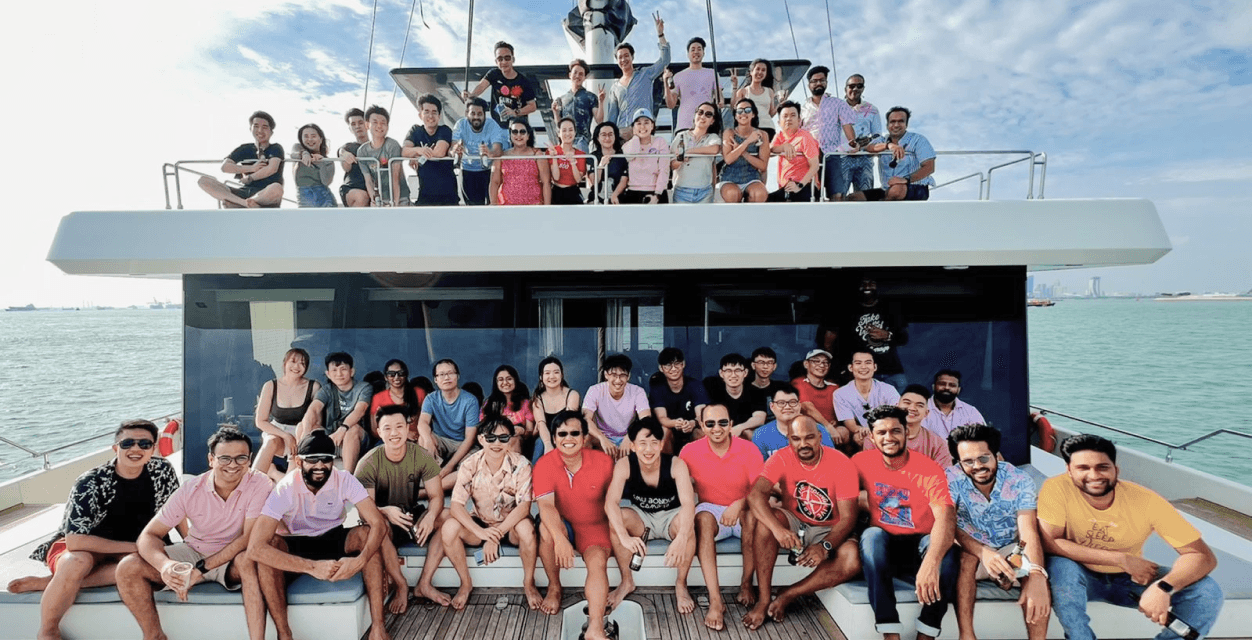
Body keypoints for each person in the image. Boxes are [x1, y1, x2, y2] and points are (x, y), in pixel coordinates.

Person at [1039, 434, 1224, 640]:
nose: (1094, 475)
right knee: (1061, 567)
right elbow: (1050, 542)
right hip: (1078, 576)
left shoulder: (1145, 500)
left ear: (1115, 470)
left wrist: (1163, 587)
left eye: (1102, 467)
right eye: (1083, 468)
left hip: (1128, 580)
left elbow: (1201, 555)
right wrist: (1121, 558)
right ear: (1069, 471)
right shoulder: (1056, 488)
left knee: (1207, 591)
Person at [10, 420, 181, 640]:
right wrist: (136, 547)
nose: (136, 449)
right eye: (127, 443)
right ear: (115, 448)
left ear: (154, 448)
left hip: (133, 545)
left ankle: (48, 583)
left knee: (157, 572)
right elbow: (75, 542)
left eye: (144, 444)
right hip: (86, 544)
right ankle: (48, 631)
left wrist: (193, 544)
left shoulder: (162, 471)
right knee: (76, 562)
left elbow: (176, 512)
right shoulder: (90, 482)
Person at [116, 427, 272, 640]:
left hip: (233, 559)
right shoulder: (191, 489)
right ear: (211, 459)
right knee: (128, 567)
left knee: (249, 560)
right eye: (225, 458)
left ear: (249, 459)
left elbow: (248, 538)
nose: (233, 465)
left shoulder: (260, 483)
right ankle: (154, 636)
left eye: (241, 458)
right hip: (195, 552)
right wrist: (166, 566)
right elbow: (149, 535)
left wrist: (201, 570)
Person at [248, 431, 391, 640]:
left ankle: (378, 627)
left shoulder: (344, 479)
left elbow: (377, 523)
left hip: (332, 536)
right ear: (298, 462)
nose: (320, 465)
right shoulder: (285, 488)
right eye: (312, 460)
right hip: (297, 540)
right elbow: (255, 547)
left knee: (366, 535)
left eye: (326, 459)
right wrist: (312, 567)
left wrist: (360, 561)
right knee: (270, 547)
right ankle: (284, 634)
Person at [743, 416, 861, 630]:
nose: (803, 444)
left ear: (820, 437)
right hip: (796, 521)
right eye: (796, 439)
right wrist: (779, 531)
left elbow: (848, 518)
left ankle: (788, 594)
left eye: (809, 437)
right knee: (766, 525)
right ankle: (764, 599)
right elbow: (755, 495)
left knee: (852, 560)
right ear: (789, 440)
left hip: (831, 527)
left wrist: (824, 546)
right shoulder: (781, 457)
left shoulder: (841, 463)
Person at [854, 405, 959, 640]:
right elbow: (835, 488)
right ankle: (890, 632)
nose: (889, 437)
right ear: (872, 437)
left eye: (895, 431)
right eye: (881, 433)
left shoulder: (928, 468)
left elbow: (946, 516)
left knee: (947, 555)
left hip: (919, 544)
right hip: (884, 548)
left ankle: (927, 633)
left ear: (906, 432)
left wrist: (931, 562)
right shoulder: (861, 461)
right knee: (871, 536)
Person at [533, 410, 636, 640]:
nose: (568, 438)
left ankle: (596, 628)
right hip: (565, 524)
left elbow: (613, 503)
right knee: (545, 529)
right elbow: (546, 507)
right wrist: (560, 539)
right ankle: (554, 587)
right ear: (554, 437)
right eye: (562, 434)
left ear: (584, 437)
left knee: (598, 563)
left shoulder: (603, 462)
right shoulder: (544, 464)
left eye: (574, 433)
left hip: (595, 526)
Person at [945, 424, 1049, 640]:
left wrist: (1038, 574)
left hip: (1009, 546)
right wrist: (984, 552)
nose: (977, 466)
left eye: (984, 458)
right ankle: (967, 635)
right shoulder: (950, 479)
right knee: (966, 559)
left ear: (996, 455)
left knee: (1029, 566)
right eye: (968, 461)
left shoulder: (1019, 480)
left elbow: (1028, 530)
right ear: (958, 462)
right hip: (971, 548)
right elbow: (949, 526)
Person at [355, 405, 450, 611]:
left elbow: (436, 496)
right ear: (379, 432)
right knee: (377, 526)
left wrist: (430, 515)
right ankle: (401, 585)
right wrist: (386, 510)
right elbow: (365, 509)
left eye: (399, 426)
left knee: (448, 516)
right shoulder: (368, 463)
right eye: (387, 428)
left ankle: (424, 583)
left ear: (408, 429)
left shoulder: (421, 455)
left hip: (410, 513)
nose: (394, 433)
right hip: (383, 518)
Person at [441, 416, 541, 610]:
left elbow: (524, 507)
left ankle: (529, 583)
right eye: (491, 438)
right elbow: (456, 506)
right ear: (480, 439)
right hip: (481, 522)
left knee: (527, 529)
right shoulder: (470, 464)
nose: (497, 443)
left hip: (511, 524)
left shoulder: (521, 464)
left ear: (510, 439)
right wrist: (482, 534)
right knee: (449, 527)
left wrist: (494, 537)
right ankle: (465, 583)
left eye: (504, 438)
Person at [679, 404, 764, 630]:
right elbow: (681, 487)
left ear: (731, 424)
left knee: (753, 518)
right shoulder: (689, 451)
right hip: (711, 508)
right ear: (701, 426)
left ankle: (746, 583)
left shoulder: (749, 449)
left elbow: (759, 489)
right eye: (710, 423)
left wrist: (739, 503)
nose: (717, 428)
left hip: (743, 505)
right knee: (703, 519)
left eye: (723, 422)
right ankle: (715, 599)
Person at [605, 418, 698, 614]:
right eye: (642, 443)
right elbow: (610, 503)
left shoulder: (676, 464)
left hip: (671, 517)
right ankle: (626, 582)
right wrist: (623, 536)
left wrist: (681, 537)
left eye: (654, 443)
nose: (649, 449)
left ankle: (681, 585)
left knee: (687, 522)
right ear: (632, 446)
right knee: (618, 518)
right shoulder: (624, 464)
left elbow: (689, 504)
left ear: (662, 444)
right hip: (643, 518)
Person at [298, 351, 373, 474]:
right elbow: (313, 409)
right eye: (334, 370)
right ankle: (303, 471)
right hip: (332, 438)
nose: (339, 374)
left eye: (343, 369)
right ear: (328, 374)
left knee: (352, 429)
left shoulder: (364, 387)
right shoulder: (326, 390)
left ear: (352, 371)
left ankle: (348, 478)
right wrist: (305, 437)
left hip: (355, 439)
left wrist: (342, 429)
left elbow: (360, 410)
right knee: (304, 425)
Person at [253, 347, 321, 481]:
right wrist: (285, 436)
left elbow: (317, 421)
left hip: (302, 432)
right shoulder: (270, 385)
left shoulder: (314, 387)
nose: (297, 366)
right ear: (284, 363)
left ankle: (274, 474)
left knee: (294, 477)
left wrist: (299, 437)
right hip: (278, 431)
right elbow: (260, 421)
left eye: (302, 363)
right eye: (293, 361)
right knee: (270, 441)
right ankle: (250, 484)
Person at [601, 12, 669, 141]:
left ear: (632, 57)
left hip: (642, 132)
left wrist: (660, 34)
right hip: (621, 135)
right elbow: (612, 116)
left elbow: (664, 60)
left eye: (626, 55)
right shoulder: (615, 87)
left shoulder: (645, 74)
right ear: (617, 61)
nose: (623, 59)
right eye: (620, 57)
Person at [198, 111, 285, 208]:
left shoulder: (276, 148)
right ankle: (245, 204)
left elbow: (271, 169)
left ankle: (244, 202)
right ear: (250, 129)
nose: (260, 130)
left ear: (271, 132)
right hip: (243, 192)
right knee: (203, 180)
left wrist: (250, 178)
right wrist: (251, 168)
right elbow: (225, 167)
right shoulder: (244, 149)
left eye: (264, 127)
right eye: (256, 126)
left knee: (277, 188)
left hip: (265, 195)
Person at [416, 358, 481, 490]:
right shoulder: (431, 398)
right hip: (442, 441)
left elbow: (470, 438)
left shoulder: (469, 400)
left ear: (457, 376)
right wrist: (428, 440)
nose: (446, 377)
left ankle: (426, 491)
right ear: (435, 379)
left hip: (463, 444)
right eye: (441, 374)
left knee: (472, 468)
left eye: (450, 373)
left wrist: (448, 467)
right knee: (423, 437)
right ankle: (431, 478)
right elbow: (422, 423)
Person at [848, 106, 935, 202]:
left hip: (916, 187)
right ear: (887, 125)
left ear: (906, 124)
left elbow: (929, 167)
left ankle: (880, 213)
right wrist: (889, 145)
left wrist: (906, 180)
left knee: (896, 191)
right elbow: (869, 147)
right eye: (892, 122)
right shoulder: (882, 140)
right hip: (887, 189)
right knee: (853, 198)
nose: (896, 125)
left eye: (901, 121)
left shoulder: (919, 140)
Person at [845, 278, 910, 391]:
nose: (867, 287)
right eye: (863, 284)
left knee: (901, 405)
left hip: (892, 370)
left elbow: (904, 338)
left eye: (871, 283)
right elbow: (843, 344)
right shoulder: (850, 312)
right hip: (865, 372)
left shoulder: (889, 308)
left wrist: (888, 335)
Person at [863, 385, 952, 467]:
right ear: (896, 406)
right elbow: (871, 472)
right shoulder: (875, 438)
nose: (912, 408)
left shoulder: (938, 445)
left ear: (926, 413)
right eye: (907, 403)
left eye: (919, 405)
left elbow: (944, 478)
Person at [825, 74, 882, 201]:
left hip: (864, 158)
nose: (855, 89)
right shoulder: (834, 108)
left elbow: (878, 135)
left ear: (863, 88)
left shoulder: (872, 110)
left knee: (864, 197)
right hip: (841, 158)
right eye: (851, 86)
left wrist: (866, 144)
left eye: (859, 86)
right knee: (838, 198)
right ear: (845, 89)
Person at [583, 353, 651, 459]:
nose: (618, 380)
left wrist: (630, 436)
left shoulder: (637, 392)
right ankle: (586, 474)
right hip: (603, 436)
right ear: (606, 375)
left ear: (628, 376)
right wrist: (602, 438)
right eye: (614, 375)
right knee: (585, 438)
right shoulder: (594, 390)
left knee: (649, 437)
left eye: (622, 375)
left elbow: (646, 419)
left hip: (628, 436)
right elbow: (586, 419)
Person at [835, 350, 902, 446]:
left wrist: (877, 430)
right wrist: (860, 429)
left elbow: (895, 417)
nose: (863, 367)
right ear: (850, 367)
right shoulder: (841, 393)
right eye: (858, 363)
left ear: (875, 367)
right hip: (863, 432)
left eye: (868, 362)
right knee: (859, 437)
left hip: (886, 430)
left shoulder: (888, 389)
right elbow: (850, 423)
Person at [649, 347, 709, 453]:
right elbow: (662, 418)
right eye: (668, 365)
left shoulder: (696, 385)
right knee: (664, 431)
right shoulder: (657, 389)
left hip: (692, 428)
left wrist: (693, 423)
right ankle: (667, 466)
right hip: (671, 429)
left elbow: (702, 415)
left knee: (702, 432)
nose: (673, 369)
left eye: (677, 363)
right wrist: (676, 423)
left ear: (683, 364)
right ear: (661, 368)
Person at [402, 94, 459, 206]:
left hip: (448, 195)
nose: (431, 116)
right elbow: (404, 151)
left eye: (434, 112)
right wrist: (419, 150)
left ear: (439, 115)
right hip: (424, 194)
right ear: (420, 115)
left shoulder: (444, 130)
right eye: (426, 112)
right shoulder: (415, 130)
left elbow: (439, 152)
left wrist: (416, 155)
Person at [752, 384, 836, 460]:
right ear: (772, 406)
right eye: (781, 403)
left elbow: (831, 461)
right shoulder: (761, 435)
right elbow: (759, 469)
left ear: (799, 405)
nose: (787, 407)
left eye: (792, 402)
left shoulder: (817, 429)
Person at [463, 41, 537, 126]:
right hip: (497, 125)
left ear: (513, 59)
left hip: (517, 127)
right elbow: (481, 86)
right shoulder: (494, 74)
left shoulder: (524, 81)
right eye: (500, 59)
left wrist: (515, 112)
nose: (504, 62)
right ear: (496, 61)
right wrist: (470, 95)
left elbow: (532, 106)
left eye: (507, 58)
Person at [451, 98, 507, 205]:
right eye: (473, 113)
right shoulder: (460, 124)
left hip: (489, 170)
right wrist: (456, 150)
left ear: (485, 114)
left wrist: (490, 153)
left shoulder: (492, 125)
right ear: (467, 113)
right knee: (473, 208)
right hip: (467, 170)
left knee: (492, 206)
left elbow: (498, 150)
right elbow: (452, 148)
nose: (476, 117)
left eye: (480, 114)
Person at [354, 105, 409, 206]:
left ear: (387, 126)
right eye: (375, 122)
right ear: (367, 125)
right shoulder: (362, 151)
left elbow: (395, 177)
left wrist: (395, 204)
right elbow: (368, 180)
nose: (379, 126)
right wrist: (374, 199)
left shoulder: (392, 145)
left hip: (400, 196)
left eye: (383, 123)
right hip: (380, 197)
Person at [663, 37, 720, 136]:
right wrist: (665, 82)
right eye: (692, 49)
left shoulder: (713, 73)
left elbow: (720, 101)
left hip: (706, 126)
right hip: (684, 126)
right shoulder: (679, 76)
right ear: (688, 54)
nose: (696, 52)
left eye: (699, 49)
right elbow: (671, 104)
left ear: (703, 52)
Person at [717, 98, 770, 203]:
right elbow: (728, 159)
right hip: (729, 177)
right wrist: (748, 141)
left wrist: (742, 152)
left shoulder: (762, 135)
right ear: (736, 116)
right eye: (740, 111)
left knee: (759, 193)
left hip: (751, 177)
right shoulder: (729, 133)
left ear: (753, 114)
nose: (743, 113)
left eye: (747, 110)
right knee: (732, 194)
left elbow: (763, 165)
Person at [670, 101, 722, 204]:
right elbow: (672, 165)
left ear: (712, 121)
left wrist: (689, 151)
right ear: (695, 115)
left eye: (708, 114)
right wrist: (680, 160)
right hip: (681, 190)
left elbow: (714, 149)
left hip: (705, 192)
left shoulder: (713, 137)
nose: (703, 116)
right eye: (700, 112)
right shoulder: (681, 136)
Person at [490, 117, 551, 205]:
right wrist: (493, 204)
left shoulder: (537, 154)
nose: (518, 135)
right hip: (507, 207)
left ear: (528, 135)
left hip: (533, 206)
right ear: (510, 135)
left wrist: (547, 207)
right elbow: (494, 182)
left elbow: (546, 182)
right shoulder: (502, 156)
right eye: (515, 132)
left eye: (522, 132)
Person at [768, 101, 820, 202]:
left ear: (799, 120)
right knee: (763, 201)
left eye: (792, 115)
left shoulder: (805, 137)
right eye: (785, 116)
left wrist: (799, 186)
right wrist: (784, 147)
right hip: (786, 187)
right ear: (779, 122)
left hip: (804, 186)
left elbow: (815, 165)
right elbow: (771, 149)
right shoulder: (779, 136)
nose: (788, 119)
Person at [532, 356, 582, 461]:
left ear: (562, 375)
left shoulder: (572, 395)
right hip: (546, 438)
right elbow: (541, 425)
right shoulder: (538, 400)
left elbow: (568, 423)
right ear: (541, 377)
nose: (552, 376)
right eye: (547, 373)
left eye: (556, 372)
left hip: (567, 435)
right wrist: (548, 444)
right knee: (540, 443)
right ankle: (534, 474)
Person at [706, 353, 767, 437]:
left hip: (743, 432)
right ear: (721, 373)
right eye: (728, 371)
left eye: (738, 370)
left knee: (749, 433)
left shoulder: (756, 392)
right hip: (720, 430)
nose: (733, 375)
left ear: (745, 373)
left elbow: (760, 418)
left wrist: (740, 427)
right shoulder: (714, 391)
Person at [620, 108, 671, 204]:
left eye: (646, 122)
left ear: (652, 125)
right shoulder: (627, 145)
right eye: (638, 123)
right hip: (633, 193)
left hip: (656, 192)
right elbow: (630, 156)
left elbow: (664, 170)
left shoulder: (660, 142)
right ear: (633, 127)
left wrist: (657, 195)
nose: (642, 126)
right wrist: (635, 138)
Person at [482, 364, 535, 456]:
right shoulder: (489, 404)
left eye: (509, 378)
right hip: (494, 444)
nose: (505, 382)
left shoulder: (525, 403)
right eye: (501, 379)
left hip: (518, 446)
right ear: (496, 383)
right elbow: (483, 429)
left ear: (515, 380)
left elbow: (530, 432)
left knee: (514, 439)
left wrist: (522, 431)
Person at [369, 358, 424, 443]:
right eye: (391, 374)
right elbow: (375, 430)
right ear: (386, 377)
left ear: (406, 375)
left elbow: (427, 421)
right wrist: (404, 433)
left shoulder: (418, 393)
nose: (396, 377)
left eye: (400, 373)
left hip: (417, 439)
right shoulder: (378, 398)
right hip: (389, 440)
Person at [792, 349, 841, 441]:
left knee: (843, 432)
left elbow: (842, 409)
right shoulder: (798, 383)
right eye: (816, 361)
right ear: (806, 364)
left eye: (825, 362)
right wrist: (828, 426)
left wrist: (837, 421)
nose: (822, 365)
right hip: (808, 428)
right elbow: (807, 407)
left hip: (833, 429)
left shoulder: (834, 387)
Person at [551, 59, 599, 152]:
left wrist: (601, 101)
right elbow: (559, 125)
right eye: (575, 73)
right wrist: (555, 113)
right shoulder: (561, 99)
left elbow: (599, 119)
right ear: (570, 75)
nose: (577, 76)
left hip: (582, 140)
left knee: (580, 165)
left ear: (585, 77)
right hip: (565, 140)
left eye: (581, 74)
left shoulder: (591, 97)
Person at [924, 369, 986, 439]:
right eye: (942, 384)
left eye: (952, 385)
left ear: (958, 390)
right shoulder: (921, 409)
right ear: (933, 387)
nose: (947, 388)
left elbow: (983, 439)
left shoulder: (970, 412)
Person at [290, 123, 337, 207]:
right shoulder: (297, 148)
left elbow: (326, 182)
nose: (310, 139)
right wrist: (304, 154)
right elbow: (293, 154)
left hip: (325, 198)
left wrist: (321, 163)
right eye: (306, 136)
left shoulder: (328, 161)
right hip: (304, 196)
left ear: (321, 139)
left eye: (313, 136)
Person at [337, 107, 376, 207]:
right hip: (353, 188)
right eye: (353, 124)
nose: (357, 126)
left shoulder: (378, 147)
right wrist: (343, 153)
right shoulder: (348, 147)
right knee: (361, 197)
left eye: (360, 122)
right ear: (350, 128)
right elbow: (346, 167)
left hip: (374, 188)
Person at [732, 59, 777, 141]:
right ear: (751, 72)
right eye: (758, 69)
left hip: (768, 127)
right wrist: (734, 86)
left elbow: (770, 113)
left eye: (763, 70)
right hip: (750, 128)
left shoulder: (770, 91)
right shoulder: (743, 91)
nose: (760, 72)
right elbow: (735, 109)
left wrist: (781, 104)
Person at [548, 117, 587, 205]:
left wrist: (573, 162)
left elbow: (578, 180)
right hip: (556, 191)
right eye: (564, 130)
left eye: (570, 130)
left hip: (573, 191)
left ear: (575, 132)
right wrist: (554, 158)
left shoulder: (580, 154)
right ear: (559, 133)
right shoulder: (552, 151)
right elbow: (556, 178)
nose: (568, 133)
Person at [588, 122, 629, 205]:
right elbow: (594, 182)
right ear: (597, 138)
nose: (607, 138)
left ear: (615, 136)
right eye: (603, 135)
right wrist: (600, 166)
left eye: (610, 134)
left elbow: (624, 181)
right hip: (596, 198)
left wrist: (614, 195)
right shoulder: (592, 157)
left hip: (617, 198)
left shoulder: (621, 157)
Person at [798, 66, 828, 136]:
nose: (818, 83)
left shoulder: (837, 105)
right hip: (809, 145)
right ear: (809, 85)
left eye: (822, 80)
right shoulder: (802, 110)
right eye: (814, 81)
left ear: (826, 82)